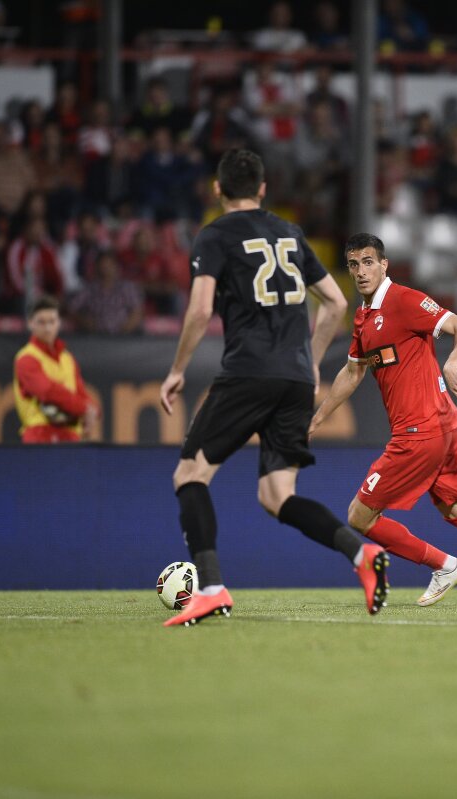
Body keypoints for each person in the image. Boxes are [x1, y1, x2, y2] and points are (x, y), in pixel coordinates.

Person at [158, 149, 388, 627]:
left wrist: (177, 370)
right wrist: (312, 359)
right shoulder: (289, 232)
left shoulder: (215, 234)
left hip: (248, 371)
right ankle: (360, 554)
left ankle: (213, 588)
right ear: (262, 189)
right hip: (295, 377)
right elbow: (334, 302)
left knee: (189, 476)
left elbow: (200, 311)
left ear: (218, 190)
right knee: (277, 495)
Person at [309, 233, 457, 607]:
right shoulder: (363, 317)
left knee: (359, 516)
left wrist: (453, 362)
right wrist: (317, 419)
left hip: (419, 432)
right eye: (353, 264)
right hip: (442, 428)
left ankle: (444, 565)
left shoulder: (404, 300)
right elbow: (352, 372)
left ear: (384, 265)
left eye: (368, 262)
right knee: (456, 509)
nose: (361, 271)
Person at [13, 296, 99, 443]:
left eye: (52, 321)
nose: (47, 328)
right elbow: (47, 392)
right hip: (40, 435)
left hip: (70, 436)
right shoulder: (26, 358)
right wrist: (84, 408)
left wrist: (93, 410)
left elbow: (81, 392)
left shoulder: (67, 359)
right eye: (41, 322)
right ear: (30, 324)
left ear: (59, 323)